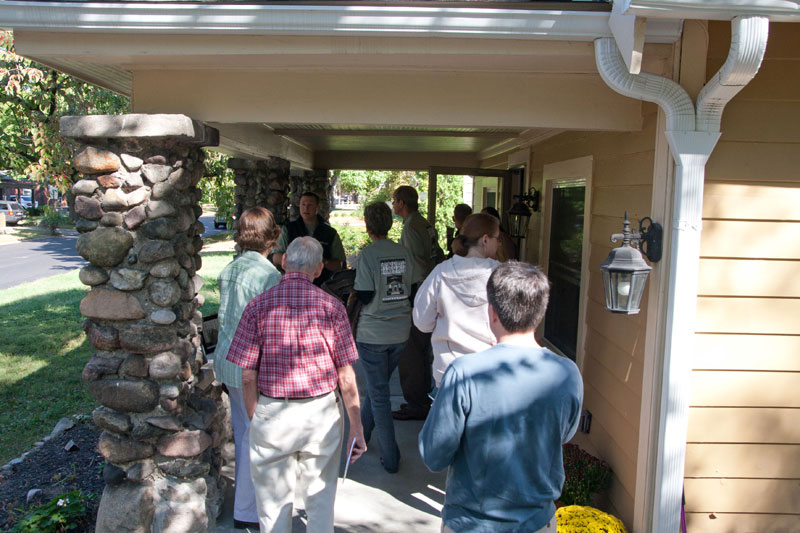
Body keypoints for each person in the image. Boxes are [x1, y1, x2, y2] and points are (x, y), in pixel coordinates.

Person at [419, 262, 583, 533]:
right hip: (537, 523)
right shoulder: (567, 374)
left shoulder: (464, 373)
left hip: (470, 523)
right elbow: (563, 435)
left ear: (492, 312)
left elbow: (434, 454)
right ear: (540, 313)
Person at [226, 236, 367, 533]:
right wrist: (357, 425)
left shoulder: (257, 306)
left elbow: (247, 375)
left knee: (272, 508)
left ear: (285, 262)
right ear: (318, 270)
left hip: (273, 411)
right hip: (321, 414)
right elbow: (346, 376)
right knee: (321, 500)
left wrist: (255, 416)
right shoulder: (333, 308)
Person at [213, 207, 282, 531]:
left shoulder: (230, 270)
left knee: (244, 432)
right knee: (258, 437)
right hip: (252, 367)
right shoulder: (270, 276)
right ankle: (250, 510)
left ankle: (246, 507)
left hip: (227, 361)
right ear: (273, 236)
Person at [353, 201, 417, 473]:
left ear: (368, 226)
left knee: (378, 394)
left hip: (373, 334)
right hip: (400, 331)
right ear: (390, 223)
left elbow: (365, 295)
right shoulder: (403, 252)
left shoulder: (367, 255)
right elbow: (412, 288)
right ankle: (362, 439)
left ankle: (391, 458)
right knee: (377, 388)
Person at [413, 213, 501, 388]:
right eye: (497, 238)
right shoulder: (501, 275)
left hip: (448, 371)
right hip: (489, 370)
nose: (499, 243)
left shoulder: (441, 273)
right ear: (485, 239)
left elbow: (422, 322)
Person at [391, 185, 444, 420]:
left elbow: (417, 265)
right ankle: (423, 399)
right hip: (430, 292)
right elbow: (438, 255)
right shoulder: (424, 223)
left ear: (402, 203)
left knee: (411, 351)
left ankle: (416, 404)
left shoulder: (411, 227)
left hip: (418, 293)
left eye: (395, 201)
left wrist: (415, 297)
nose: (393, 205)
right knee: (423, 350)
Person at [272, 191, 346, 286]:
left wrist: (324, 261)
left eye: (310, 205)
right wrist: (293, 260)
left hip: (323, 285)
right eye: (303, 204)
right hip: (292, 283)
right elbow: (275, 257)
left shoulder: (330, 233)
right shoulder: (288, 229)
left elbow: (339, 265)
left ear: (317, 207)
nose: (306, 208)